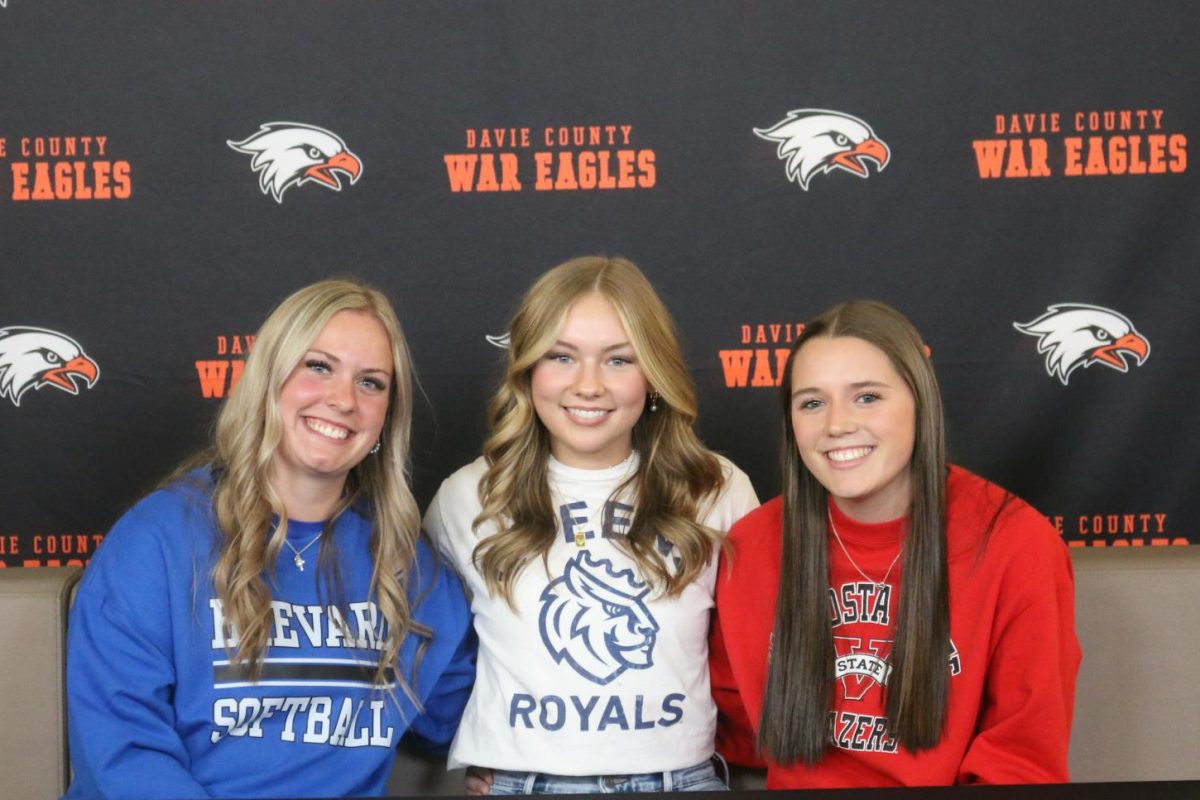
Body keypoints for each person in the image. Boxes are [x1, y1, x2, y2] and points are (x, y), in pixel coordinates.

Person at [65, 279, 477, 799]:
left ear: (386, 419)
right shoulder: (157, 542)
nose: (343, 399)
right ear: (268, 379)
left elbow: (468, 718)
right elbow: (121, 756)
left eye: (371, 382)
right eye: (319, 366)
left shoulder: (408, 566)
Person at [709, 299, 1080, 787]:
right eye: (812, 402)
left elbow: (1021, 760)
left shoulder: (1015, 543)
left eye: (867, 397)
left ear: (919, 401)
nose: (837, 424)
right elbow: (730, 723)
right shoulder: (753, 546)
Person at [424, 256, 759, 794]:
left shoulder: (716, 487)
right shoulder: (468, 496)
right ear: (528, 369)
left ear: (654, 373)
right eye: (562, 356)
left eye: (619, 360)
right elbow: (434, 648)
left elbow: (754, 654)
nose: (588, 385)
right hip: (523, 782)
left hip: (679, 780)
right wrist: (485, 742)